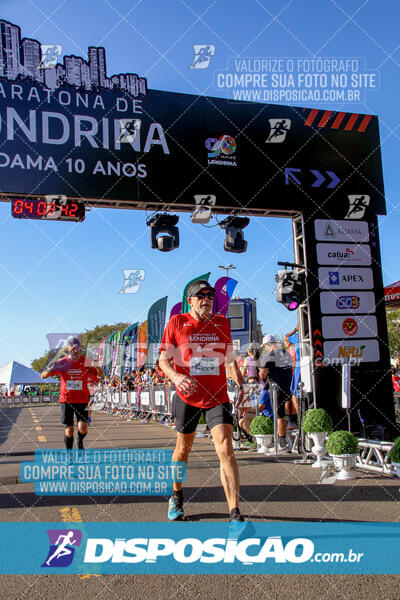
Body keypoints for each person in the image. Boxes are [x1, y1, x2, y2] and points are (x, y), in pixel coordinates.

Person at [159, 279, 245, 527]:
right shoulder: (177, 322)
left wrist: (239, 381)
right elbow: (163, 360)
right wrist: (175, 376)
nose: (207, 299)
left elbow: (228, 359)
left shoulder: (222, 323)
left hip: (217, 396)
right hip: (187, 396)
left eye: (210, 295)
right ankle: (176, 495)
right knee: (183, 450)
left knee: (225, 448)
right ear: (191, 300)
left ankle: (235, 513)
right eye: (201, 295)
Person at [41, 337, 104, 450]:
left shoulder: (86, 361)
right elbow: (43, 375)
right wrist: (51, 367)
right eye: (73, 348)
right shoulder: (62, 362)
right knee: (69, 429)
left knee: (82, 428)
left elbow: (101, 375)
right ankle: (69, 455)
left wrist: (97, 365)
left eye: (77, 348)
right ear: (67, 348)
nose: (75, 350)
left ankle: (80, 442)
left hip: (82, 399)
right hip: (66, 399)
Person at [259, 334, 293, 452]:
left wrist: (263, 377)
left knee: (279, 415)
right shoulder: (286, 353)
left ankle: (282, 444)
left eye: (265, 346)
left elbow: (262, 374)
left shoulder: (269, 356)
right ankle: (285, 439)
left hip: (276, 388)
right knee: (283, 414)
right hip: (287, 386)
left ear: (268, 345)